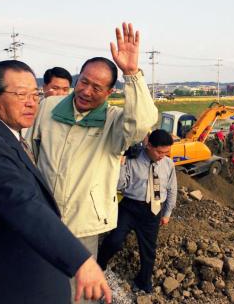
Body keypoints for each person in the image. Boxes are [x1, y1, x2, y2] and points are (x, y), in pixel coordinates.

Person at [0, 60, 111, 304]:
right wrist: (81, 260)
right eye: (21, 95)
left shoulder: (6, 135)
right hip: (19, 283)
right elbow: (23, 205)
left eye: (35, 94)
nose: (32, 102)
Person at [27, 23, 158, 302]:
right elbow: (29, 149)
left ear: (110, 93)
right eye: (84, 82)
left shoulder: (113, 122)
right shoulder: (49, 108)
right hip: (43, 218)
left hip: (83, 223)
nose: (86, 91)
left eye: (97, 87)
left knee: (79, 290)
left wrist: (132, 75)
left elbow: (144, 122)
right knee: (40, 281)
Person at [98, 129, 177, 293]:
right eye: (159, 151)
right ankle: (99, 265)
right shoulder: (132, 159)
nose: (162, 155)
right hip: (130, 207)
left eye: (166, 152)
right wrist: (120, 165)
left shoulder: (168, 164)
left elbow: (172, 190)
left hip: (153, 212)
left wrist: (167, 213)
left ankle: (143, 282)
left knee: (148, 251)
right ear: (149, 145)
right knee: (114, 240)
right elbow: (120, 186)